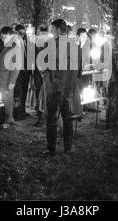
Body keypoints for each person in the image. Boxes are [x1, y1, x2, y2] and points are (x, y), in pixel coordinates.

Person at [43, 19, 78, 156]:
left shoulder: (51, 45)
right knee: (67, 118)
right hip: (68, 89)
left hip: (54, 88)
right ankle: (68, 147)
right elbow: (77, 70)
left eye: (52, 29)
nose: (51, 32)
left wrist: (48, 80)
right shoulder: (74, 46)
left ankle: (51, 148)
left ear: (58, 30)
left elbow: (44, 67)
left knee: (51, 119)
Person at [0, 27, 20, 129]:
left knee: (8, 100)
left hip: (7, 78)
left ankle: (9, 119)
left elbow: (16, 66)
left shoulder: (14, 47)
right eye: (2, 37)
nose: (3, 39)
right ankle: (7, 119)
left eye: (5, 37)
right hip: (2, 77)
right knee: (4, 99)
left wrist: (12, 81)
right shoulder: (6, 46)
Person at [14, 24, 31, 119]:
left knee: (24, 92)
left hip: (25, 71)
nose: (22, 35)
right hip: (18, 71)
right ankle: (17, 112)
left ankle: (23, 110)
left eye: (23, 33)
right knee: (18, 92)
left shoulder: (26, 42)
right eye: (20, 33)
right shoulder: (15, 42)